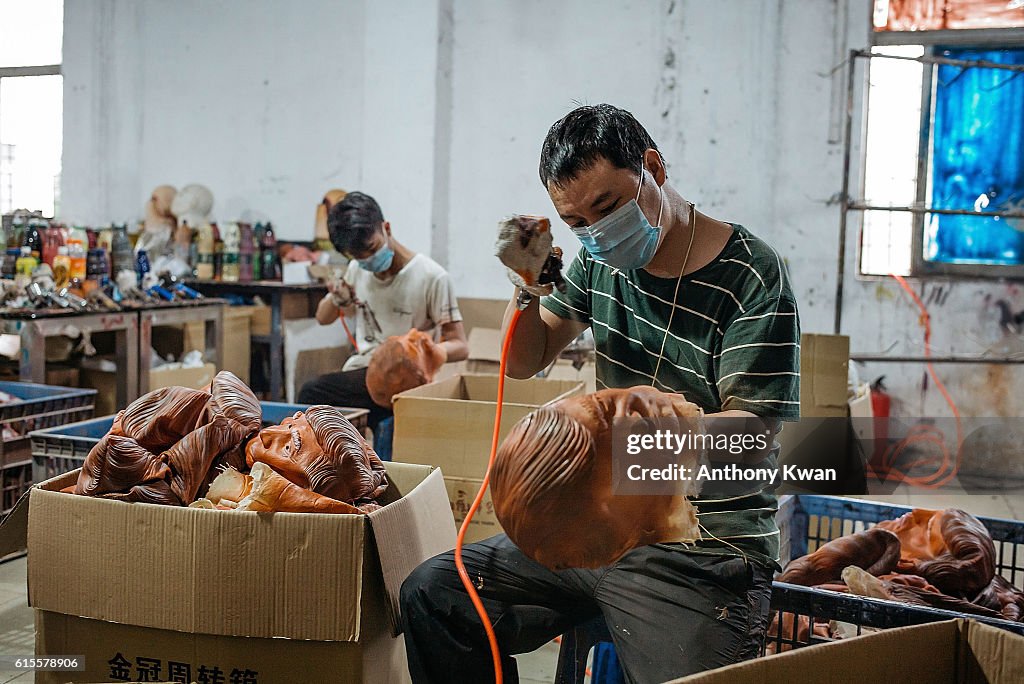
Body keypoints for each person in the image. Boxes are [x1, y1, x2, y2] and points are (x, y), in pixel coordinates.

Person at [400, 104, 801, 682]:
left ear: (653, 169)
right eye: (575, 221)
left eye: (607, 207)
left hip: (705, 545)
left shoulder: (752, 276)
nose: (594, 231)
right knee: (435, 594)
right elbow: (525, 360)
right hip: (598, 526)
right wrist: (527, 287)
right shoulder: (598, 262)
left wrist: (612, 442)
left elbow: (752, 436)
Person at [298, 191, 468, 432]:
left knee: (313, 391)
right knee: (324, 401)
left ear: (386, 228)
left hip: (405, 378)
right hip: (364, 371)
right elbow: (322, 318)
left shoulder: (432, 277)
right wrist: (337, 298)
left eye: (372, 248)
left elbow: (460, 345)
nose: (367, 259)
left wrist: (425, 351)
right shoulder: (358, 268)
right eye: (357, 255)